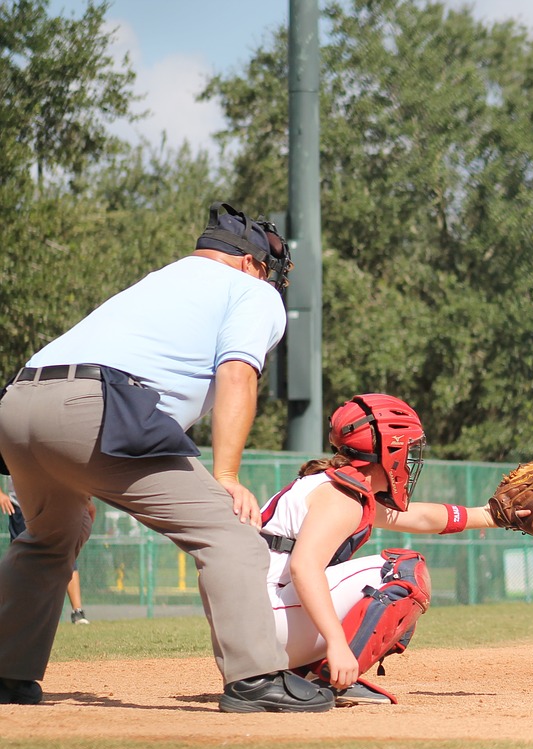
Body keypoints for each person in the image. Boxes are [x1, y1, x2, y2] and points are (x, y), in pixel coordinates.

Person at [0, 202, 334, 712]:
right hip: (93, 405)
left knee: (52, 536)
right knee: (231, 534)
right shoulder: (252, 291)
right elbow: (237, 374)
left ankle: (7, 674)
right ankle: (256, 679)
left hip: (18, 402)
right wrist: (226, 474)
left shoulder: (161, 280)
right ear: (249, 262)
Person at [260, 393, 520, 706]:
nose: (410, 460)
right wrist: (337, 644)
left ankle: (308, 672)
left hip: (259, 622)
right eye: (407, 449)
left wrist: (489, 516)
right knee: (402, 571)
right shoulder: (340, 498)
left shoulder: (337, 486)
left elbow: (418, 517)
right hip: (267, 624)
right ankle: (328, 677)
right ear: (389, 451)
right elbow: (305, 567)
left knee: (391, 581)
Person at [2, 483, 95, 625]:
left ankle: (77, 611)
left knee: (65, 554)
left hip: (57, 505)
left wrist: (86, 498)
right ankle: (22, 611)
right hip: (21, 507)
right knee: (22, 563)